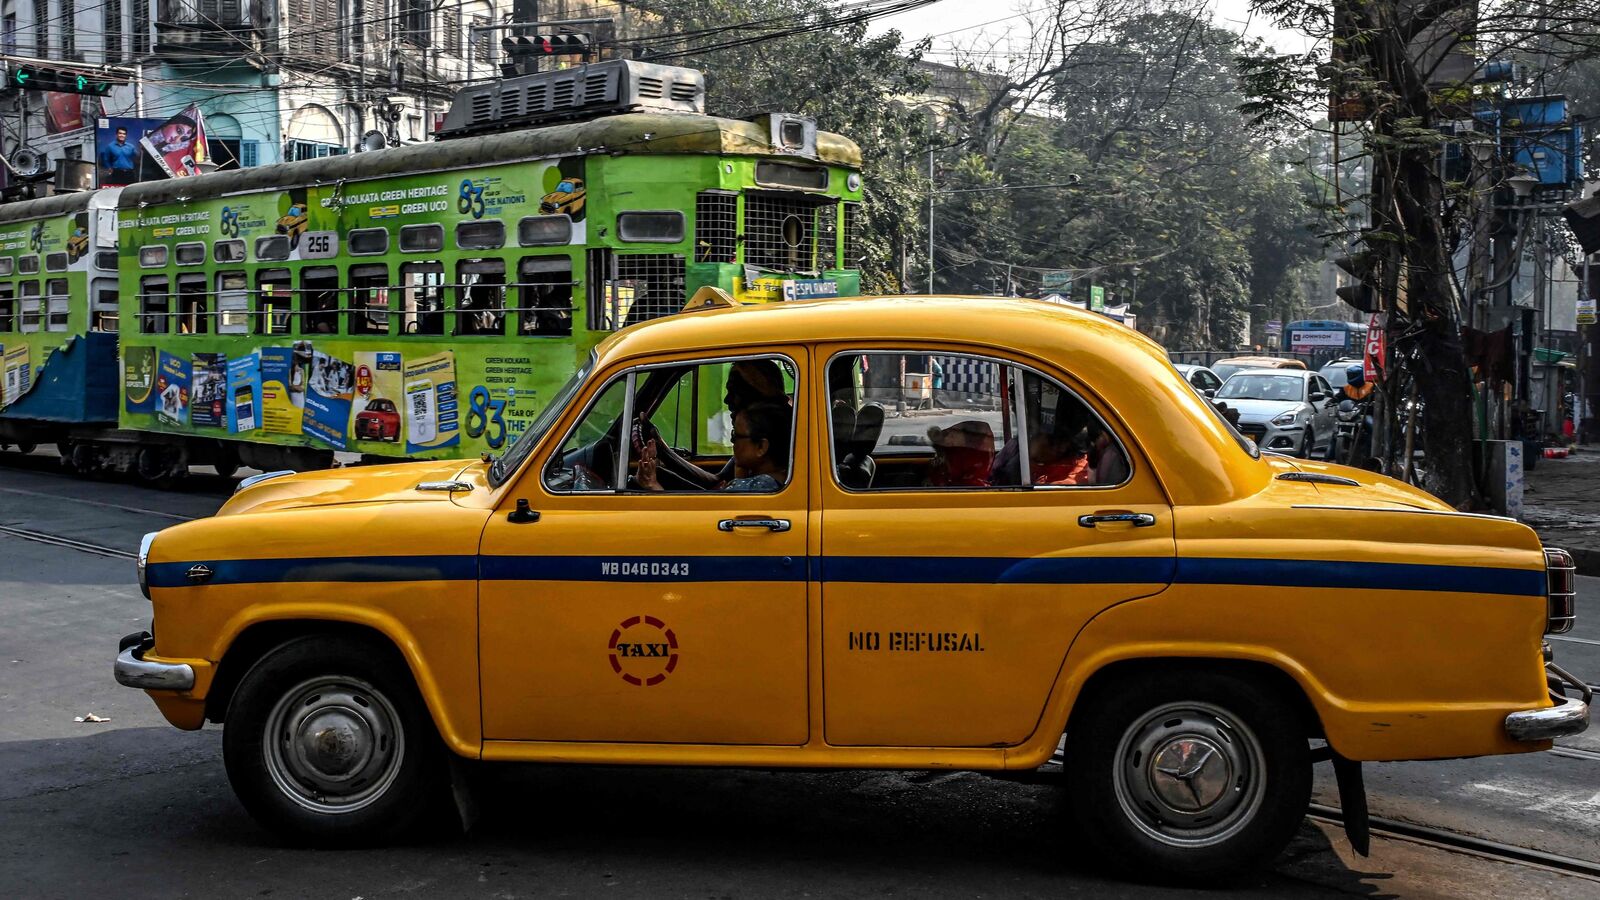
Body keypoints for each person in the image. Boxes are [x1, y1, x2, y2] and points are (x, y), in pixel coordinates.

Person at [641, 360, 789, 489]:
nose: (727, 400)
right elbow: (718, 482)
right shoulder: (752, 446)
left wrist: (653, 485)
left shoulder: (757, 445)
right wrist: (662, 450)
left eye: (734, 392)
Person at [638, 401, 788, 493]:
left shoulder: (754, 488)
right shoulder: (776, 482)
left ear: (761, 446)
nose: (732, 441)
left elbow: (698, 524)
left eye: (736, 436)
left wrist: (652, 485)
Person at [928, 420, 995, 487]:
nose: (948, 439)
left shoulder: (974, 483)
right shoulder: (950, 452)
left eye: (952, 436)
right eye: (947, 435)